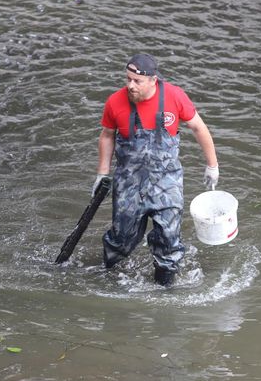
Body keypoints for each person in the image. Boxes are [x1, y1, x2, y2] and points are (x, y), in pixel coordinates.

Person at [93, 53, 219, 286]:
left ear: (153, 80)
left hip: (167, 182)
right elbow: (107, 135)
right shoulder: (115, 102)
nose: (130, 85)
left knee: (168, 240)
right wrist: (102, 173)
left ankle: (165, 288)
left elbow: (199, 128)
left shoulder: (174, 96)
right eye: (127, 79)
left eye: (136, 81)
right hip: (129, 182)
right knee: (120, 240)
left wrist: (212, 165)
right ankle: (107, 280)